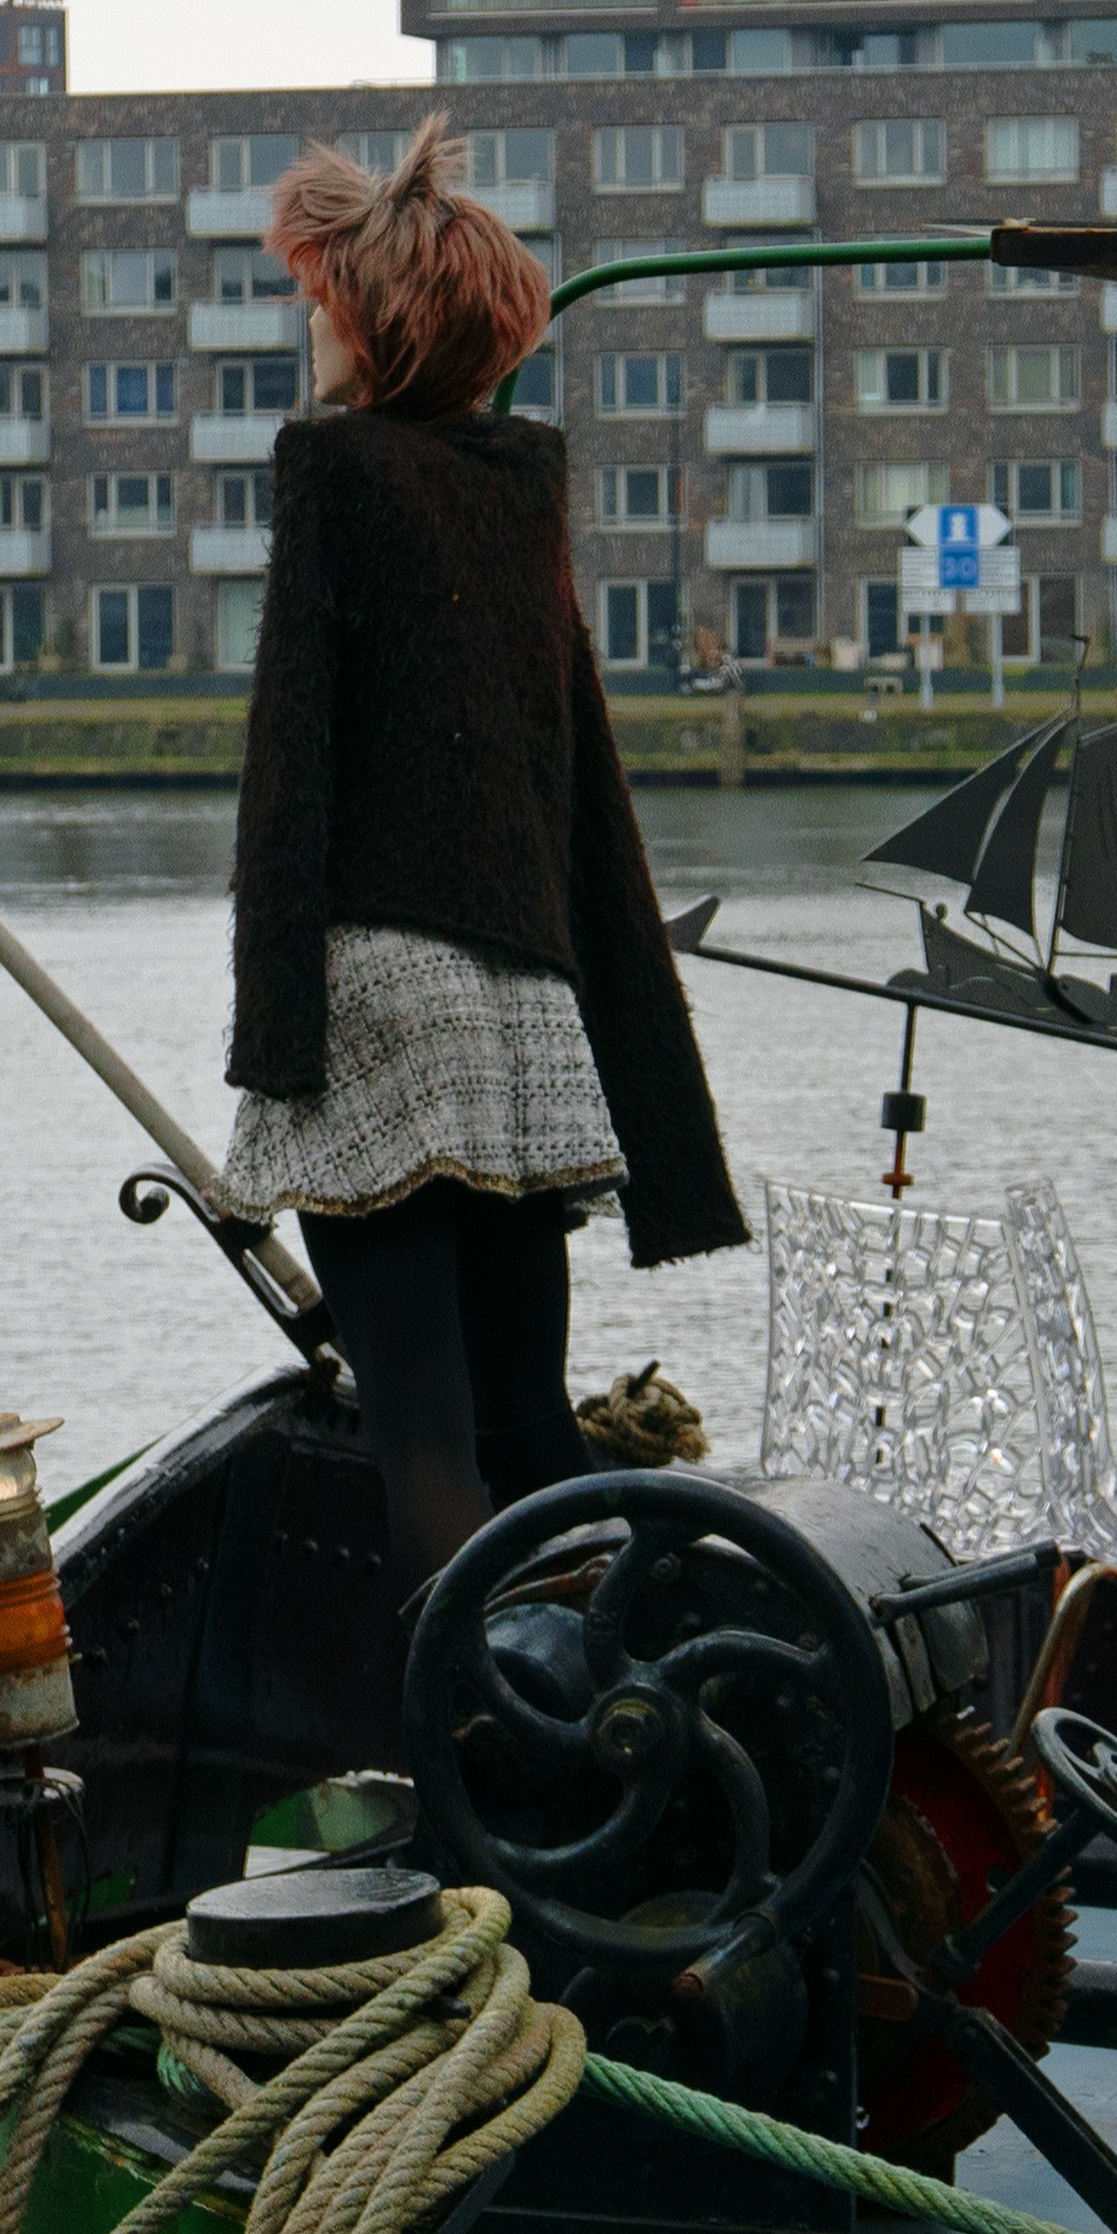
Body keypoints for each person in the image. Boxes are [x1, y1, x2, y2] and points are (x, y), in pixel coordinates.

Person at [223, 115, 745, 1588]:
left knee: (424, 1445)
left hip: (381, 1004)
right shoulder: (527, 498)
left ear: (380, 324)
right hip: (527, 1017)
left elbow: (290, 779)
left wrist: (273, 1061)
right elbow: (586, 793)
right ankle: (603, 1698)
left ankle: (478, 1735)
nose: (308, 316)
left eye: (323, 292)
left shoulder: (333, 472)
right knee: (528, 1427)